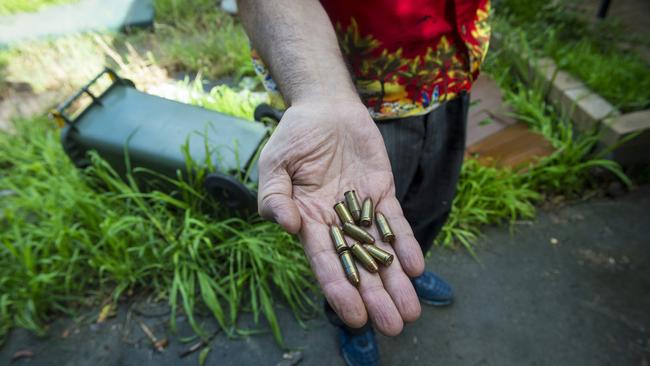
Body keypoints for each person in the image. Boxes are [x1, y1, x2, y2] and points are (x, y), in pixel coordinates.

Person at [238, 1, 490, 365]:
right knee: (356, 235)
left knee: (432, 202)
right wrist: (319, 92)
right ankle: (351, 324)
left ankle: (407, 267)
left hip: (450, 73)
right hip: (357, 95)